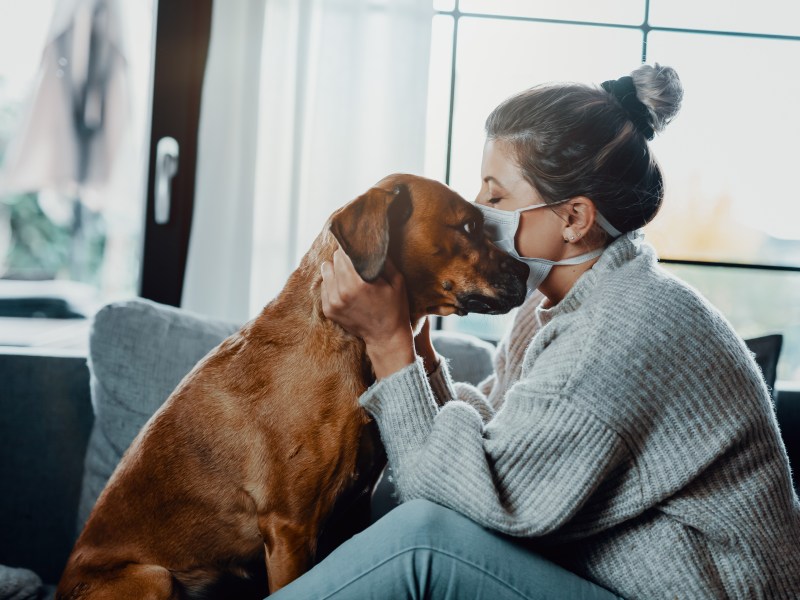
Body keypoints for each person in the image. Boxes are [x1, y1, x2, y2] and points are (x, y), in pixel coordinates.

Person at [270, 64, 800, 599]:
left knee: (422, 543)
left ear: (573, 218)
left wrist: (388, 347)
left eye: (496, 197)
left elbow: (474, 497)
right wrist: (417, 345)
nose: (476, 210)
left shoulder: (625, 327)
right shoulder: (558, 303)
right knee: (393, 507)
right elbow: (493, 446)